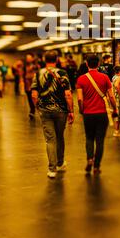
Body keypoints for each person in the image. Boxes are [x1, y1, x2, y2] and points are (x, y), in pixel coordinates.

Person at [31, 50, 74, 179]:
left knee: (50, 139)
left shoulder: (38, 73)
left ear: (45, 59)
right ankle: (60, 163)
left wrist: (38, 107)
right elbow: (68, 94)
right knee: (60, 136)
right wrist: (71, 111)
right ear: (56, 60)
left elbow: (34, 94)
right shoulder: (62, 73)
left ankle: (52, 169)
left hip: (45, 110)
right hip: (61, 110)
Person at [77, 54, 117, 175]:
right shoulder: (105, 77)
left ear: (87, 64)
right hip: (102, 113)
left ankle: (90, 159)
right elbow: (111, 96)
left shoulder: (81, 79)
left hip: (88, 113)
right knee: (100, 140)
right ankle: (96, 166)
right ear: (98, 64)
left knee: (89, 138)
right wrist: (115, 109)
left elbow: (79, 99)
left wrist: (81, 109)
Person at [24, 53, 38, 120]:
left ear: (32, 58)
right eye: (27, 58)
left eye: (29, 58)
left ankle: (36, 110)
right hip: (27, 84)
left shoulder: (36, 65)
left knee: (35, 98)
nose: (28, 59)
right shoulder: (25, 66)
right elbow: (23, 75)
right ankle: (32, 110)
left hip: (35, 84)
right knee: (29, 99)